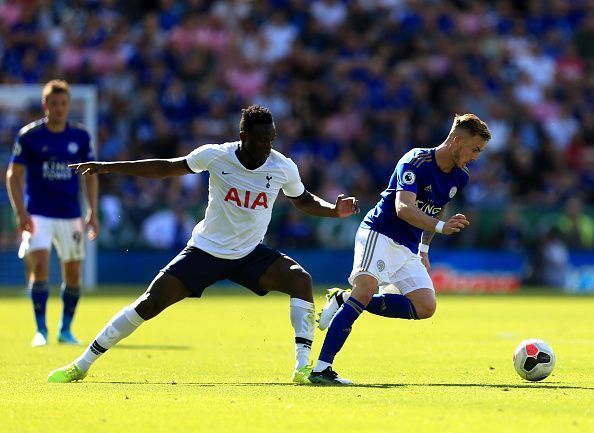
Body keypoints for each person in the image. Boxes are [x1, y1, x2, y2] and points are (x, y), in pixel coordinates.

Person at [47, 105, 359, 384]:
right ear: (243, 135)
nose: (268, 146)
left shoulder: (282, 167)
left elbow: (302, 200)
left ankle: (302, 369)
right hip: (206, 251)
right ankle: (82, 364)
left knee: (300, 279)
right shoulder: (216, 155)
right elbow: (167, 167)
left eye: (272, 139)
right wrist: (108, 167)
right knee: (148, 304)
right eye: (262, 139)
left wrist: (333, 210)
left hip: (249, 254)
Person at [308, 114, 491, 385]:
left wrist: (424, 248)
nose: (476, 156)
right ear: (456, 141)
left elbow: (439, 206)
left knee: (425, 306)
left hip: (408, 246)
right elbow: (403, 208)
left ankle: (342, 300)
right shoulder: (415, 161)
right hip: (380, 233)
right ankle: (321, 369)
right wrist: (441, 227)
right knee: (366, 289)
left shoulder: (460, 177)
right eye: (475, 149)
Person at [5, 79, 99, 347]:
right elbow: (14, 174)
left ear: (69, 105)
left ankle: (65, 329)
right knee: (41, 265)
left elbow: (90, 177)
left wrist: (92, 210)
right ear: (45, 105)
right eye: (54, 104)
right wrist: (20, 212)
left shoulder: (80, 137)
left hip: (70, 213)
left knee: (72, 272)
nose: (59, 108)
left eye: (63, 104)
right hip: (38, 213)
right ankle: (40, 330)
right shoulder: (30, 136)